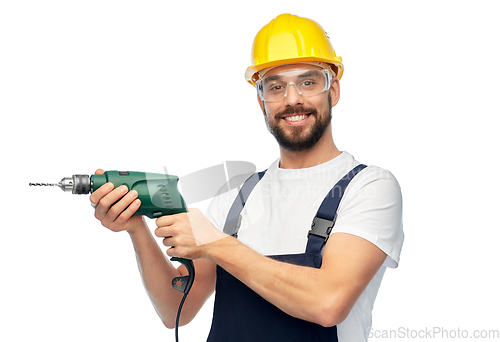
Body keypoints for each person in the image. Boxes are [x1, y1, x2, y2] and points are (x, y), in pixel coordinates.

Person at [89, 13, 404, 342]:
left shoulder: (369, 188)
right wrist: (135, 227)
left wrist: (217, 244)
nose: (292, 99)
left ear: (333, 90)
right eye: (276, 86)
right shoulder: (236, 196)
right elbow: (174, 309)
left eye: (308, 82)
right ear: (261, 101)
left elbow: (328, 302)